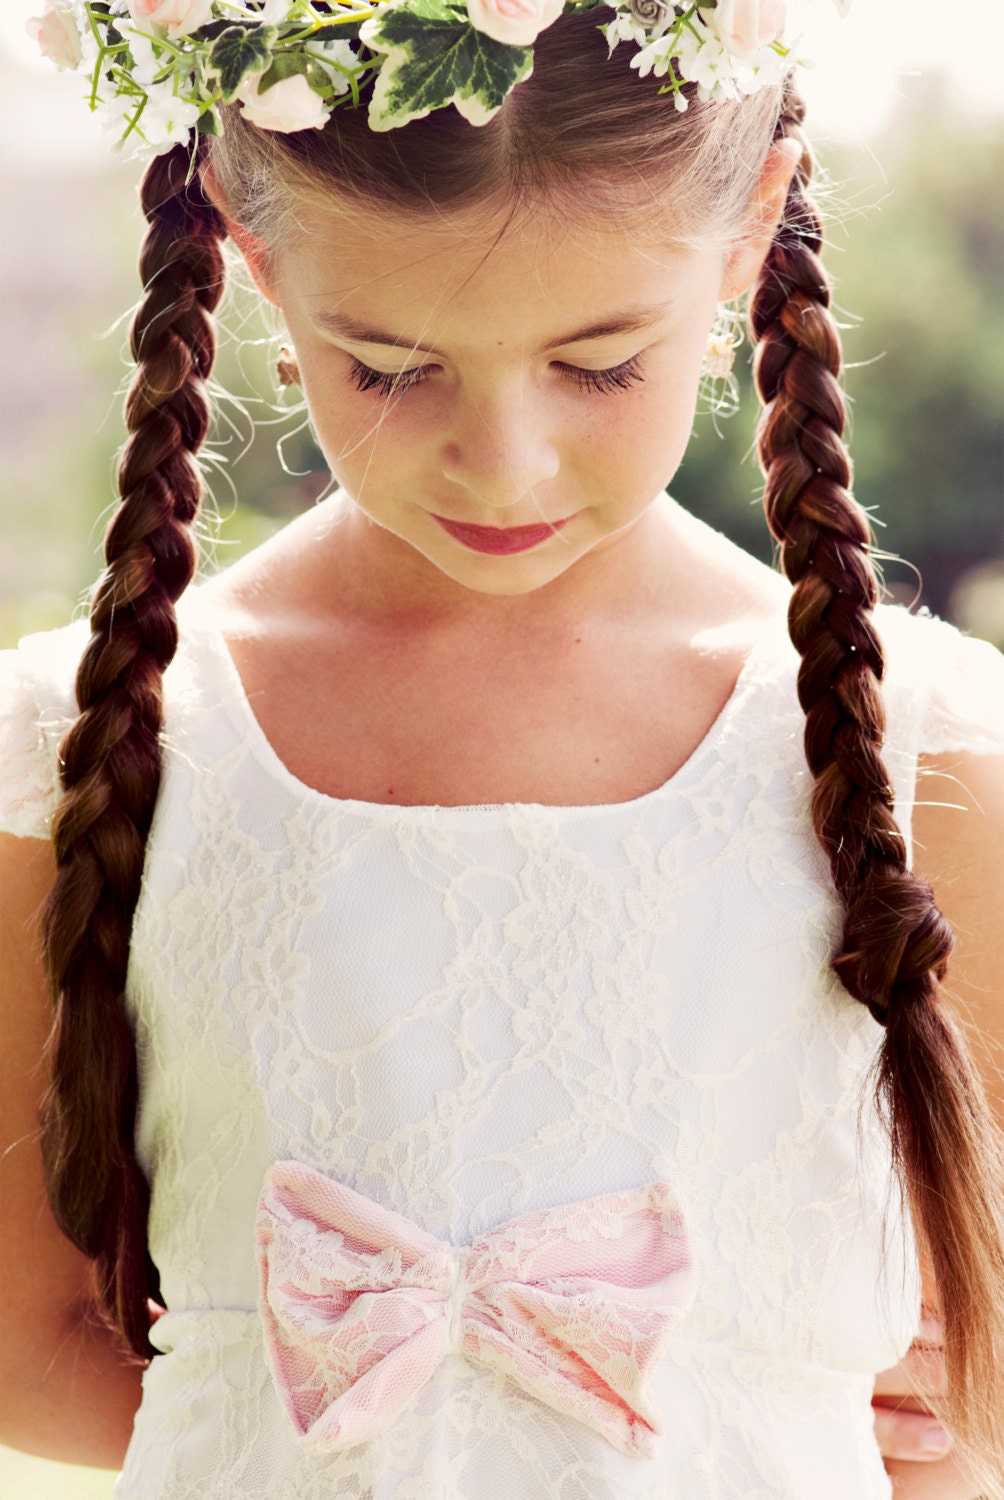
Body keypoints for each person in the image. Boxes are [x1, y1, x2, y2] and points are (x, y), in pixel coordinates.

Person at [2, 1, 1003, 1496]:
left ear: (744, 243)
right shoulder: (90, 738)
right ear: (256, 263)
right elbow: (33, 1339)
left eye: (600, 364)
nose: (504, 461)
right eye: (391, 368)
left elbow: (959, 1388)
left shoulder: (924, 749)